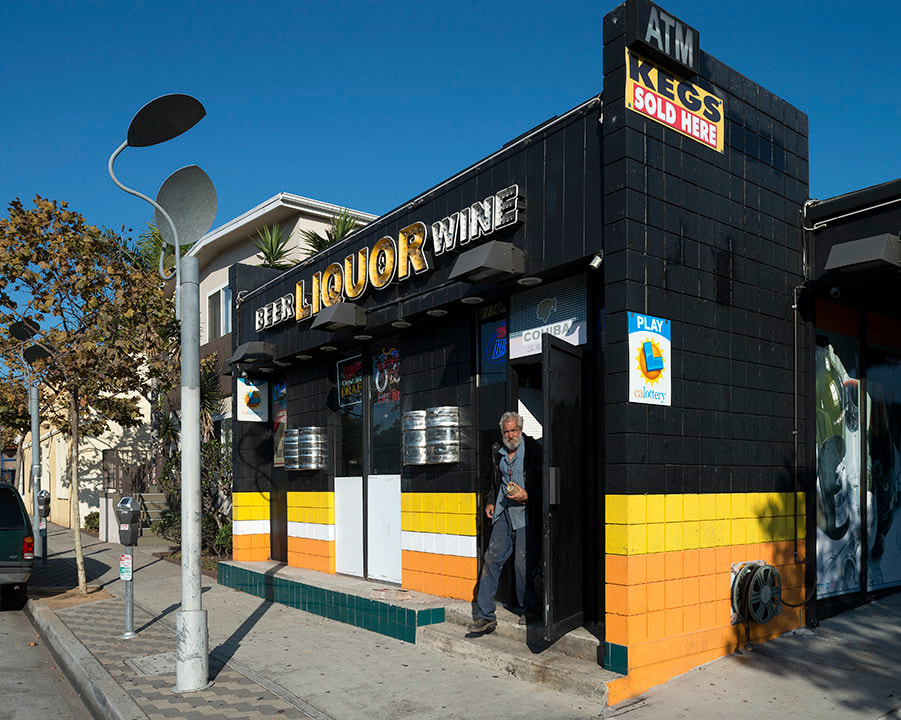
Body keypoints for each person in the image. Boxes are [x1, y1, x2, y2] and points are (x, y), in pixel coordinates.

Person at [468, 411, 542, 633]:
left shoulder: (534, 452)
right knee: (491, 559)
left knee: (522, 565)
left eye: (513, 431)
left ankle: (532, 609)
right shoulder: (497, 451)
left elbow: (545, 488)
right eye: (506, 431)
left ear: (520, 429)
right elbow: (495, 482)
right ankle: (485, 615)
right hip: (503, 514)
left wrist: (527, 496)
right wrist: (491, 501)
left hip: (525, 516)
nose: (510, 435)